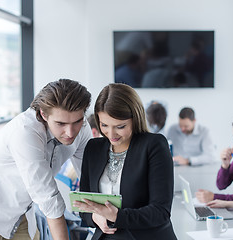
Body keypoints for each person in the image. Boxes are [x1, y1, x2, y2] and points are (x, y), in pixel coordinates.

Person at [0, 79, 92, 240]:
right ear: (43, 114)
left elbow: (89, 176)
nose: (70, 132)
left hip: (20, 213)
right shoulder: (25, 132)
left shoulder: (82, 128)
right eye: (61, 123)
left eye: (77, 121)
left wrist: (100, 216)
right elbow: (49, 199)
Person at [73, 83, 177, 239]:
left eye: (120, 126)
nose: (111, 133)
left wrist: (117, 216)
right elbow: (84, 206)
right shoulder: (93, 148)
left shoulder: (154, 145)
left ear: (135, 118)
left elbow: (160, 211)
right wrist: (96, 217)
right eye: (104, 125)